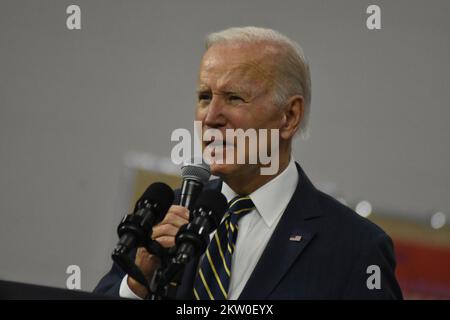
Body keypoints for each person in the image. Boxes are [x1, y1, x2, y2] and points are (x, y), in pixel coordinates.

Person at [94, 26, 403, 299]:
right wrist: (137, 285)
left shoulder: (355, 248)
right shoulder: (164, 217)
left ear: (289, 116)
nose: (210, 117)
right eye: (204, 96)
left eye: (234, 98)